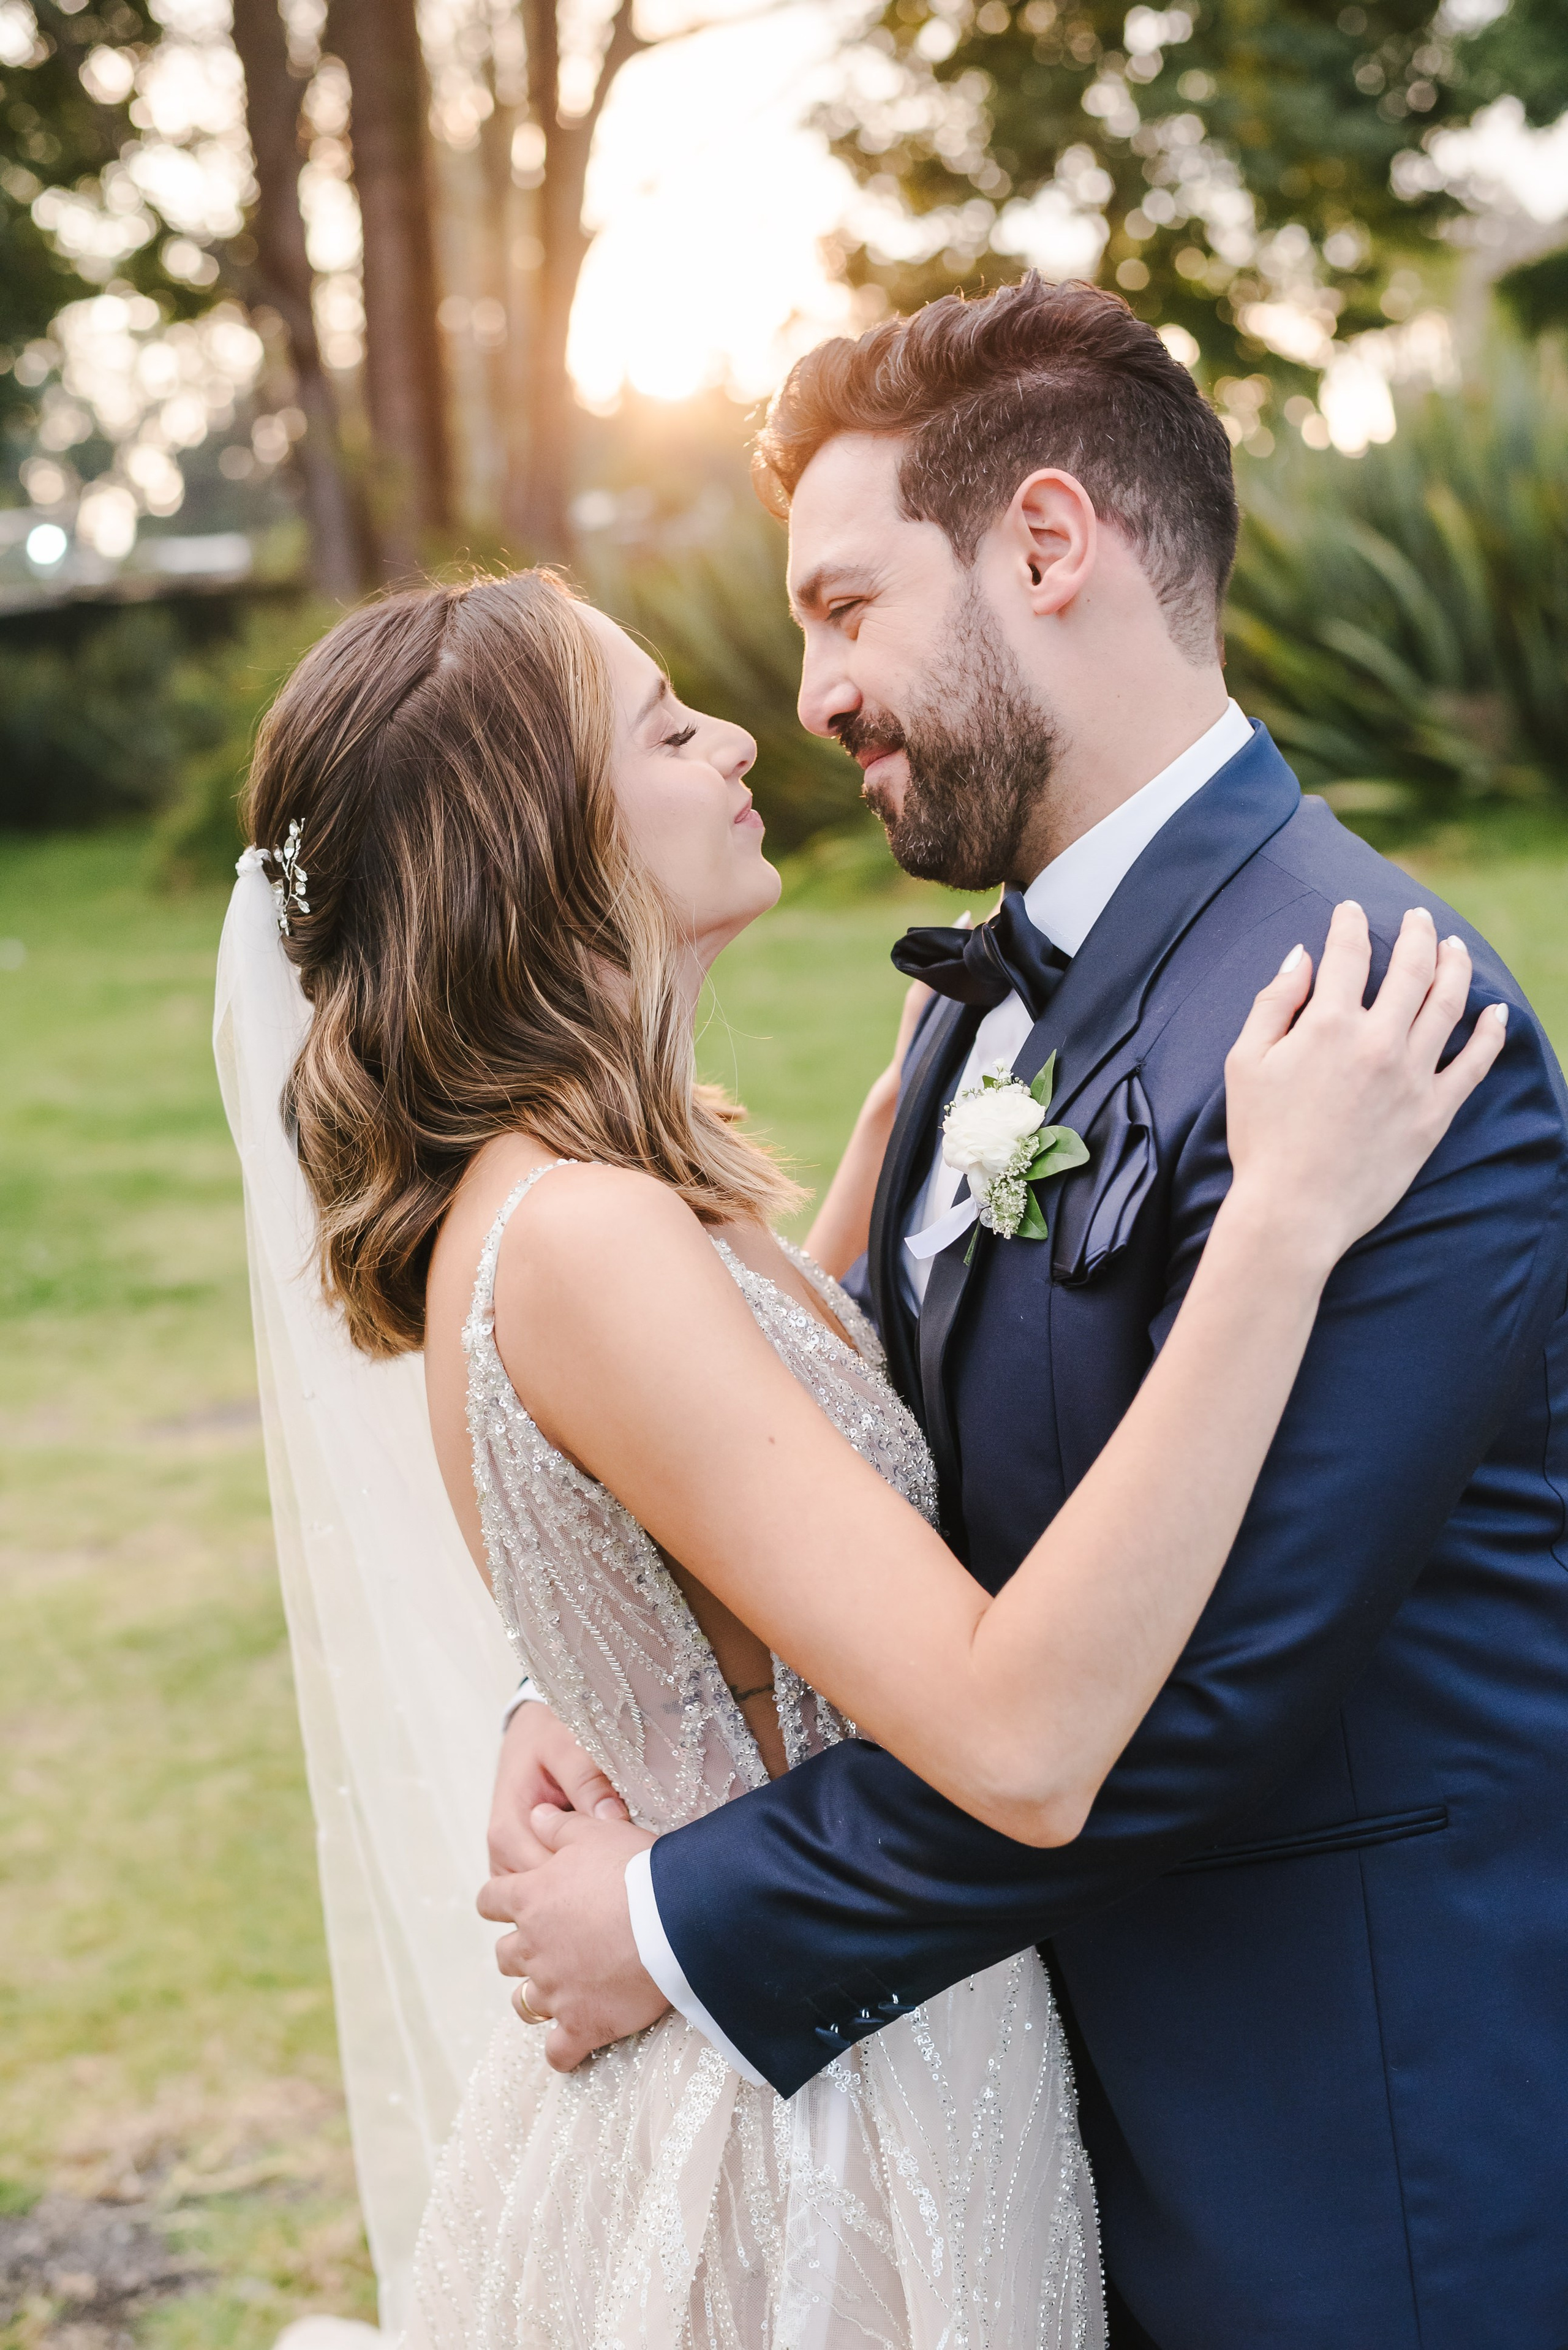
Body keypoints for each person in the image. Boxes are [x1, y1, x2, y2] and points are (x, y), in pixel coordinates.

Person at [224, 521, 1497, 2348]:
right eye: (668, 732)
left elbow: (749, 1420)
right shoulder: (583, 1239)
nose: (744, 736)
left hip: (859, 2036)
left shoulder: (607, 1194)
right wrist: (1280, 1224)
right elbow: (1020, 1739)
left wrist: (907, 1135)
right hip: (813, 2124)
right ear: (542, 841)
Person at [480, 278, 1568, 2350]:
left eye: (848, 607)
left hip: (1350, 2184)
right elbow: (883, 1482)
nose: (812, 693)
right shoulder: (977, 1012)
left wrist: (678, 1919)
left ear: (1048, 544)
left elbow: (1191, 1700)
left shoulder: (1375, 1026)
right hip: (1060, 2147)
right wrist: (617, 1652)